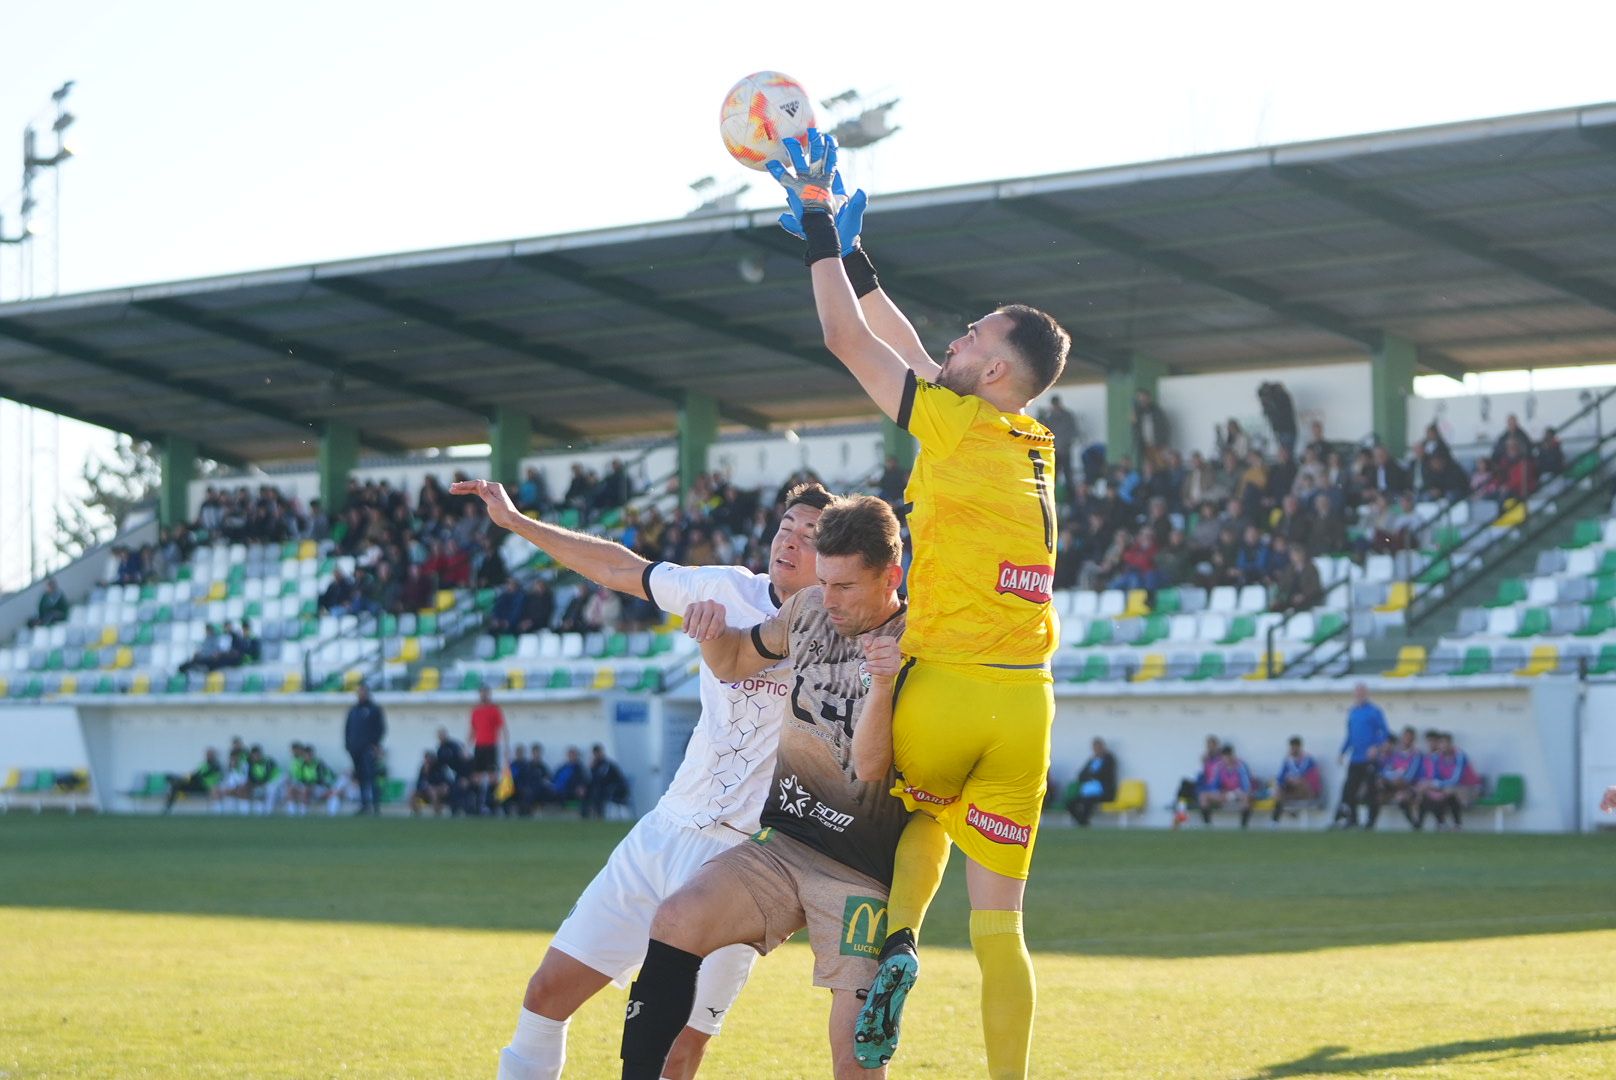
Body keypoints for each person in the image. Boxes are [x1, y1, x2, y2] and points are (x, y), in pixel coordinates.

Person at [768, 134, 1066, 1078]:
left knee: (900, 811)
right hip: (1027, 710)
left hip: (945, 690)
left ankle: (892, 943)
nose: (956, 338)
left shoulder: (959, 424)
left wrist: (817, 221)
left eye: (973, 334)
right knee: (1001, 931)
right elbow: (916, 362)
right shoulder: (1033, 442)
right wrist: (861, 262)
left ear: (993, 375)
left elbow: (849, 342)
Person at [449, 474, 831, 1080]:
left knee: (679, 1052)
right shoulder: (725, 588)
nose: (790, 542)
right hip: (664, 831)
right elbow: (622, 569)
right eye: (786, 528)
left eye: (811, 537)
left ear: (836, 557)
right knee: (546, 996)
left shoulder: (847, 634)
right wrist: (518, 523)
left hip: (743, 862)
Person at [618, 494, 909, 1080]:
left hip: (860, 870)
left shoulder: (923, 643)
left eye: (846, 587)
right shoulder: (806, 610)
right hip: (783, 844)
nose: (829, 600)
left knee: (854, 1050)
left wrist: (883, 683)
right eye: (823, 581)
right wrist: (708, 631)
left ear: (891, 577)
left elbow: (873, 768)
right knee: (676, 920)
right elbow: (733, 662)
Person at [1334, 683, 1390, 829]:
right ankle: (1353, 819)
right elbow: (1350, 735)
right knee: (1349, 789)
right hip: (1355, 758)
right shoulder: (1352, 712)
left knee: (1371, 790)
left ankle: (1371, 822)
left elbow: (1384, 732)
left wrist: (1376, 747)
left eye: (1361, 692)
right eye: (1357, 693)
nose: (1359, 695)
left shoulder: (1374, 711)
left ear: (1366, 694)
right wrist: (1342, 752)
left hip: (1370, 758)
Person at [343, 684, 386, 816]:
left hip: (368, 749)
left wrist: (375, 744)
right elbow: (347, 729)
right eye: (359, 692)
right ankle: (364, 805)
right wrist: (348, 745)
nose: (361, 694)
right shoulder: (353, 710)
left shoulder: (374, 709)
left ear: (367, 693)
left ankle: (376, 806)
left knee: (371, 777)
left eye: (363, 692)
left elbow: (381, 728)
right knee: (360, 777)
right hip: (355, 749)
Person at [467, 687, 511, 815]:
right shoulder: (475, 710)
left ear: (489, 694)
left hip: (491, 746)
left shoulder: (495, 709)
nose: (483, 696)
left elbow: (503, 728)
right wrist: (467, 747)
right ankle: (476, 806)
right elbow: (472, 730)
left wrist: (506, 747)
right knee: (477, 778)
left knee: (493, 778)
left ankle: (494, 805)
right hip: (479, 747)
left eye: (486, 693)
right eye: (481, 693)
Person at [1378, 727, 1425, 828]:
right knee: (1377, 786)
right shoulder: (1394, 754)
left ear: (1413, 739)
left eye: (1409, 738)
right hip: (1393, 784)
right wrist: (1395, 776)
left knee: (1403, 797)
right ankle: (1370, 823)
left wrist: (1399, 778)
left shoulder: (1417, 755)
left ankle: (1415, 824)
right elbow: (1386, 771)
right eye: (1405, 737)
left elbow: (1411, 775)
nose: (1407, 740)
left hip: (1409, 785)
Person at [1063, 738, 1117, 827]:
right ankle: (1082, 822)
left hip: (1102, 792)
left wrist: (1092, 775)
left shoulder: (1109, 759)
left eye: (1098, 747)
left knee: (1087, 802)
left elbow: (1105, 775)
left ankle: (1082, 822)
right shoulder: (1092, 760)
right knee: (1070, 803)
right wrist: (1090, 776)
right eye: (1095, 748)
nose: (1096, 750)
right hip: (1087, 792)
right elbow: (1081, 775)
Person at [1198, 744, 1253, 827]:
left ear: (1232, 755)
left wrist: (1237, 792)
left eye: (1229, 756)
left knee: (1246, 797)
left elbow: (1246, 784)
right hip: (1223, 793)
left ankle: (1243, 826)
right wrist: (1219, 792)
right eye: (1224, 757)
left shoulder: (1241, 766)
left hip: (1237, 793)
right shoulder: (1218, 767)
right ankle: (1207, 825)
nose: (1227, 759)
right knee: (1203, 796)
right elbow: (1213, 784)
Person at [1270, 737, 1322, 824]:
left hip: (1306, 791)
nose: (1292, 750)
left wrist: (1295, 779)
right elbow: (1280, 778)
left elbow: (1312, 779)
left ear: (1299, 747)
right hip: (1291, 790)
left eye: (1294, 748)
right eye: (1291, 748)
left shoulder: (1308, 760)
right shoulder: (1288, 761)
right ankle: (1275, 821)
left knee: (1298, 782)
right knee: (1279, 791)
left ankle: (1287, 813)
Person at [1038, 394, 1080, 498]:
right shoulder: (1049, 417)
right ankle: (1052, 498)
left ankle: (1072, 499)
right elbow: (1044, 432)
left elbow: (1073, 432)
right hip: (1055, 452)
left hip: (1065, 451)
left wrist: (1066, 444)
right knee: (1053, 477)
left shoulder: (1068, 416)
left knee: (1068, 477)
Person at [163, 748, 223, 813]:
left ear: (214, 755)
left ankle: (176, 779)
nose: (208, 756)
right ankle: (167, 808)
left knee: (189, 779)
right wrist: (189, 777)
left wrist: (192, 776)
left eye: (210, 754)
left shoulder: (216, 765)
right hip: (197, 784)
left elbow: (204, 774)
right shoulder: (203, 764)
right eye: (207, 754)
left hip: (206, 786)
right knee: (175, 786)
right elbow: (195, 773)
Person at [582, 744, 629, 819]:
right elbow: (592, 779)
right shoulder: (595, 765)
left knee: (597, 793)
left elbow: (602, 778)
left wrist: (593, 769)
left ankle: (600, 815)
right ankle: (586, 816)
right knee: (587, 792)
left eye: (598, 752)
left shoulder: (607, 764)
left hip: (615, 789)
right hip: (603, 788)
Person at [412, 750, 452, 817]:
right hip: (425, 790)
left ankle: (437, 812)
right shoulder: (423, 769)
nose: (426, 761)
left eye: (428, 758)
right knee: (413, 794)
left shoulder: (439, 767)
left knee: (433, 792)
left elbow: (446, 782)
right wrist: (425, 774)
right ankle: (416, 812)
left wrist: (438, 787)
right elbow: (419, 783)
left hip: (437, 790)